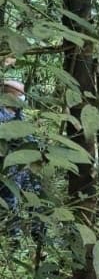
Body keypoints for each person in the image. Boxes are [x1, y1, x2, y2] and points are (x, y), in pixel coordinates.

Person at [0, 79, 41, 234]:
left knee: (34, 200)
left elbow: (28, 139)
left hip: (24, 167)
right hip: (8, 168)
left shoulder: (18, 114)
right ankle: (12, 240)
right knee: (10, 205)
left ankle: (38, 235)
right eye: (20, 95)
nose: (23, 99)